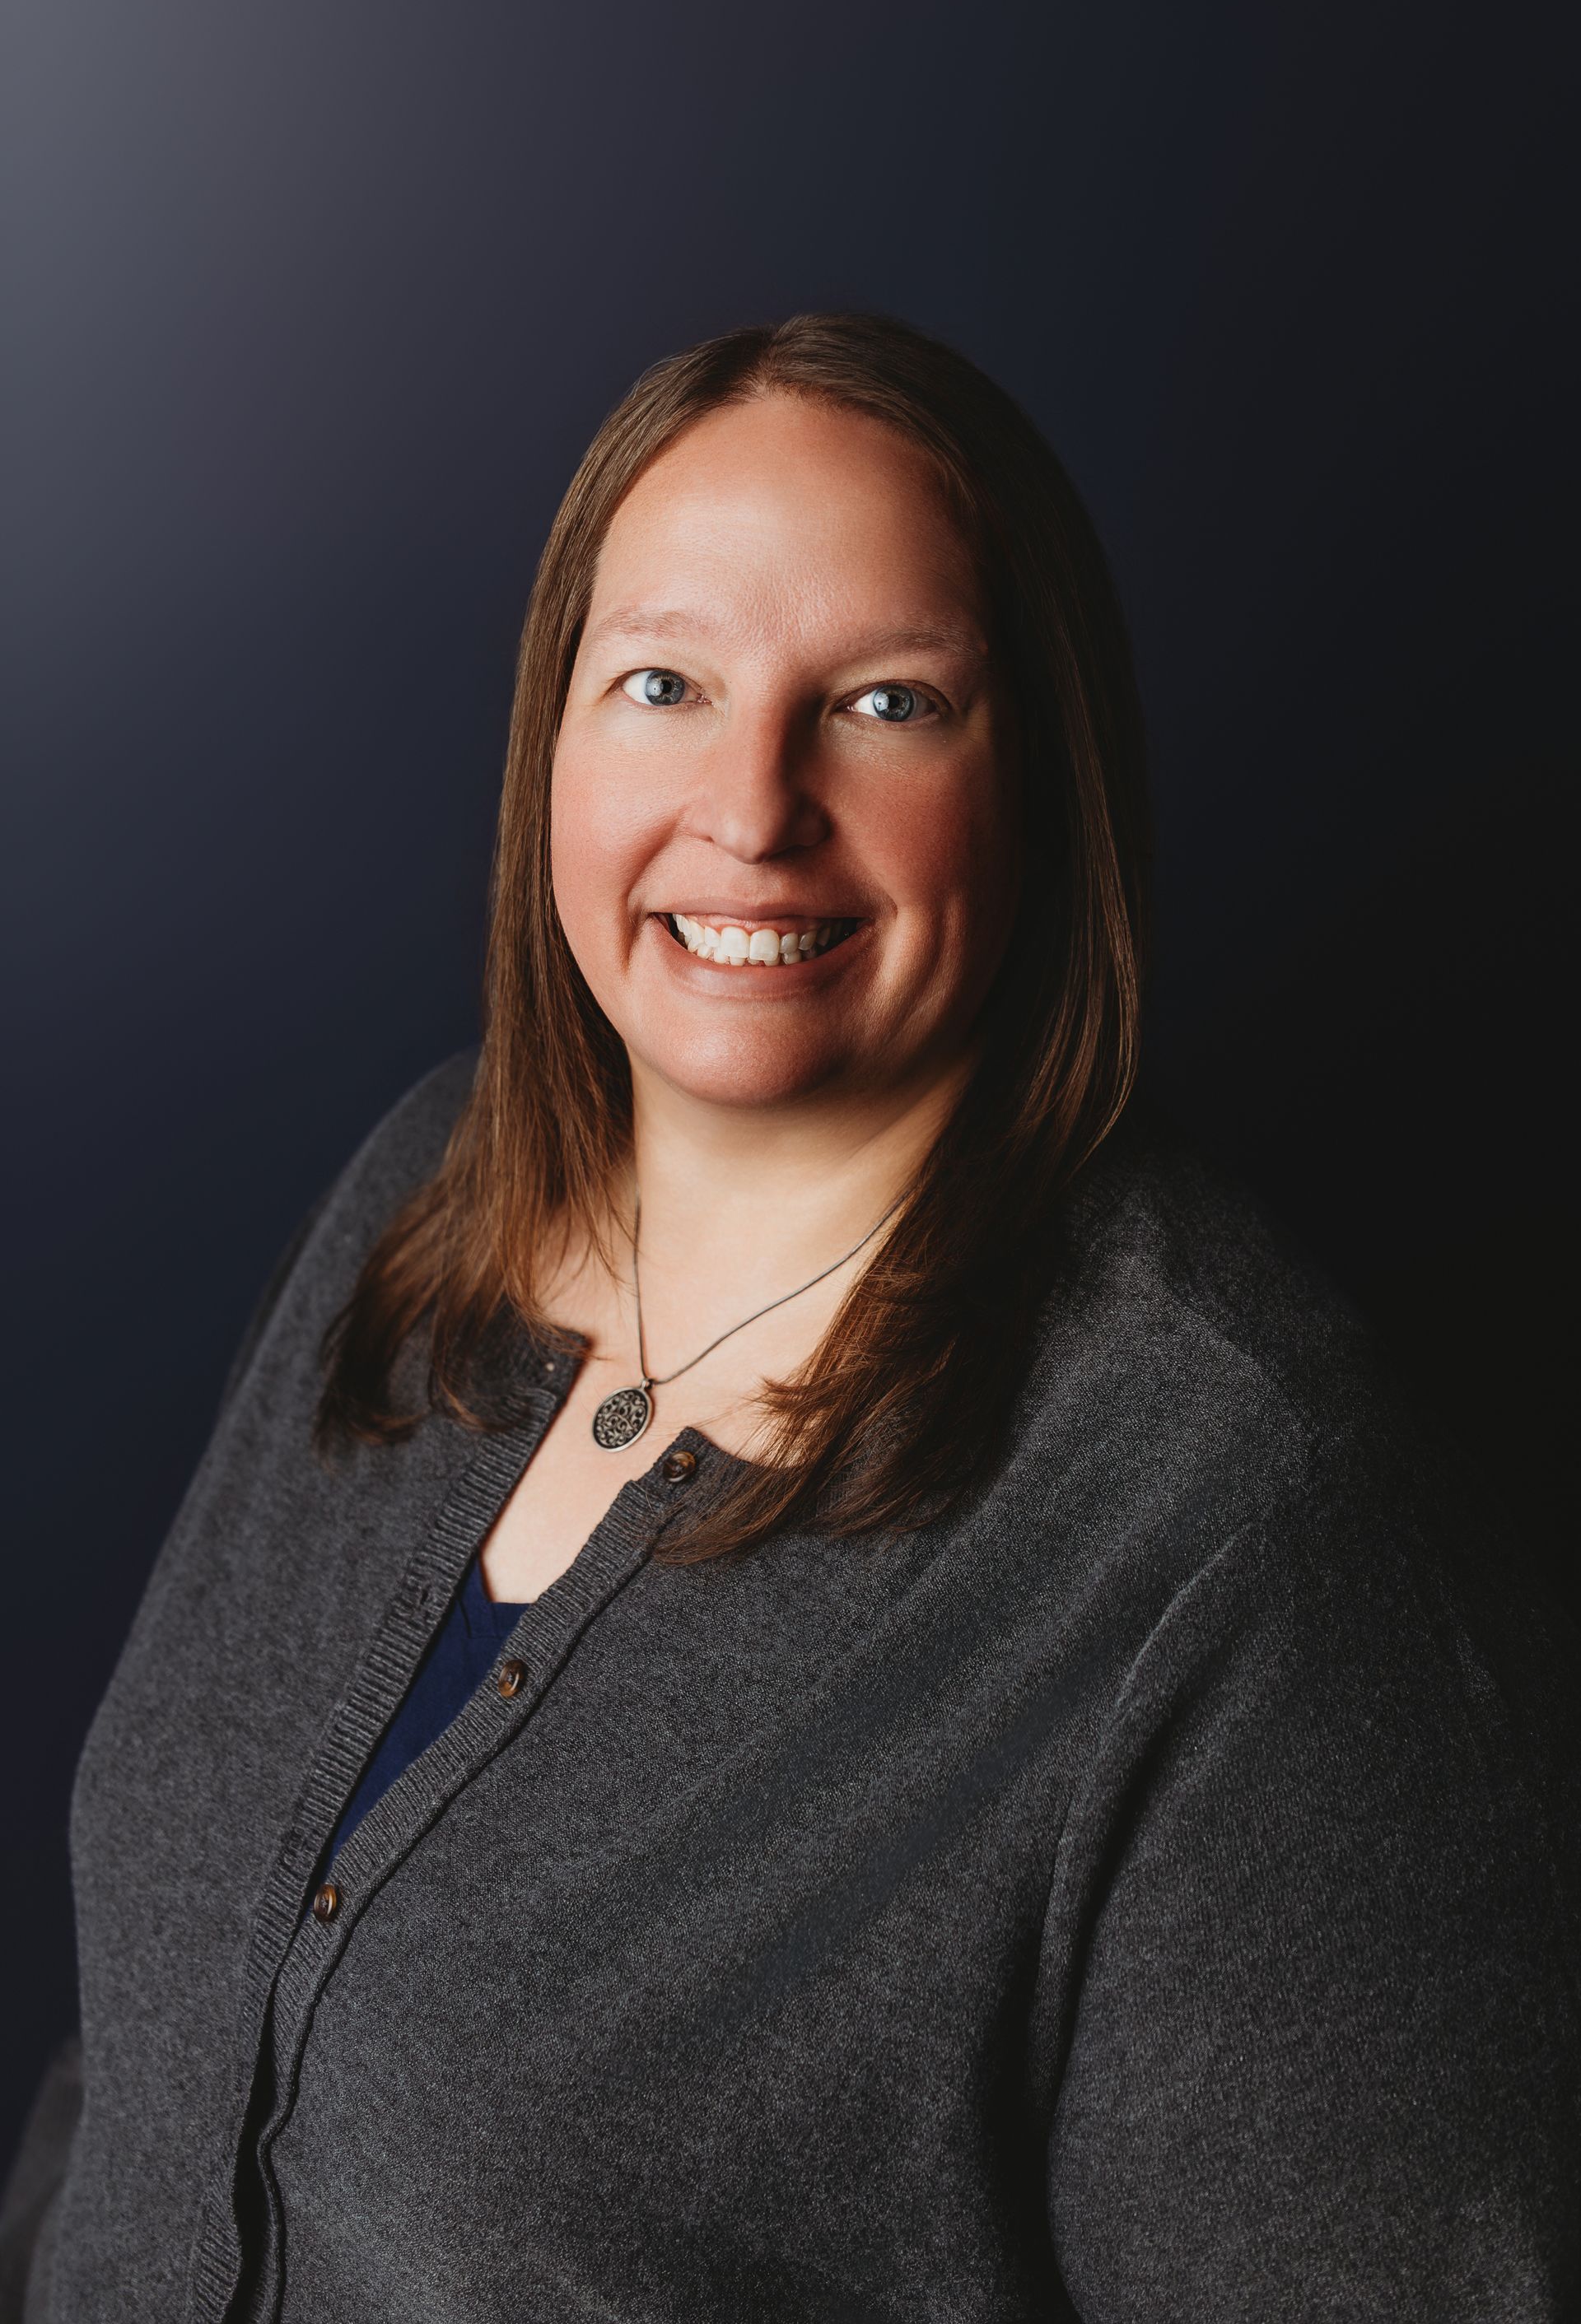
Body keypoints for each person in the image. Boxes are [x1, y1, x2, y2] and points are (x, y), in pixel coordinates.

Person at [2, 310, 1576, 2322]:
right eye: (664, 682)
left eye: (889, 705)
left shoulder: (1248, 1539)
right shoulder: (426, 1199)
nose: (753, 804)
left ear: (1046, 783)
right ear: (552, 743)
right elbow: (149, 2059)